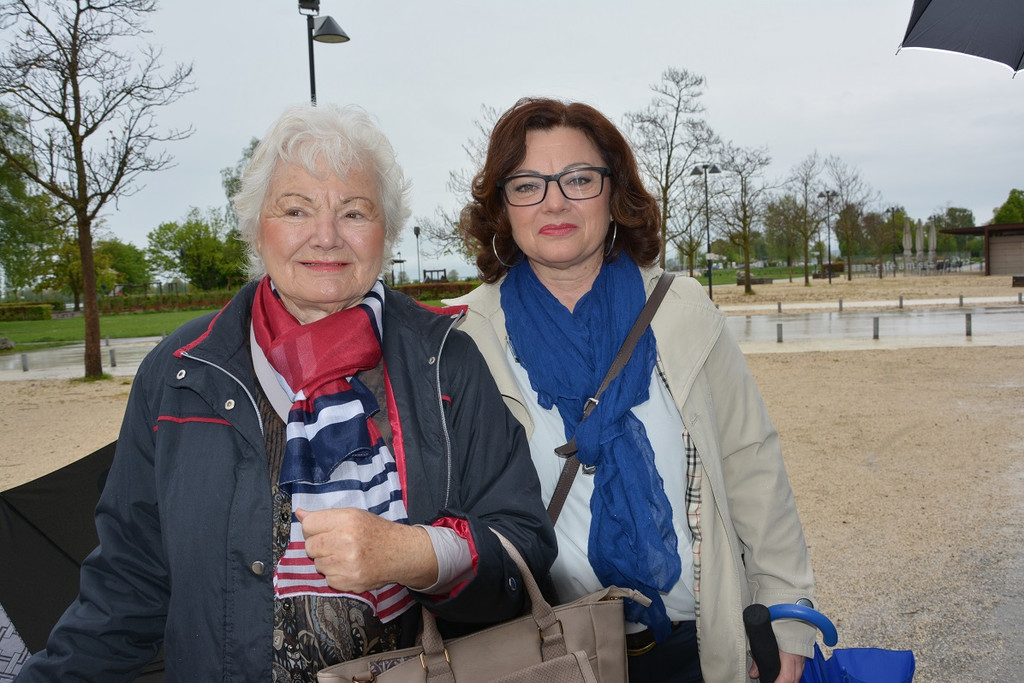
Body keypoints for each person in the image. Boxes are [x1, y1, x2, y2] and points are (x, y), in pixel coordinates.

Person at [17, 104, 556, 682]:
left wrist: (416, 554)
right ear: (256, 228)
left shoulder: (446, 360)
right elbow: (128, 584)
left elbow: (522, 549)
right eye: (296, 210)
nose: (326, 236)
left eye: (354, 211)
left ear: (387, 232)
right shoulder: (179, 373)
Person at [450, 97, 815, 683]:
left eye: (579, 179)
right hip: (551, 655)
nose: (554, 202)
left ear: (614, 193)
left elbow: (752, 464)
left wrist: (787, 614)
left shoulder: (682, 309)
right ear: (502, 206)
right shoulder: (466, 336)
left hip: (700, 648)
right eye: (527, 185)